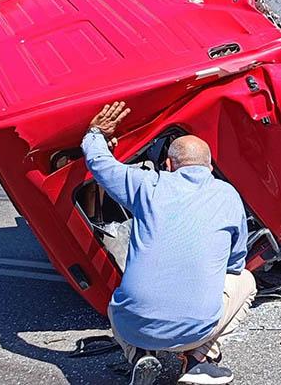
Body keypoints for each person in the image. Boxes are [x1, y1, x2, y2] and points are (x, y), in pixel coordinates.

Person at [82, 101, 255, 385]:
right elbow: (235, 262)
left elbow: (100, 165)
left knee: (116, 305)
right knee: (245, 280)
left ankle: (138, 355)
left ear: (168, 164)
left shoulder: (146, 185)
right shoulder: (228, 195)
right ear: (210, 167)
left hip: (134, 326)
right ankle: (199, 359)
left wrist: (95, 133)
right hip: (195, 330)